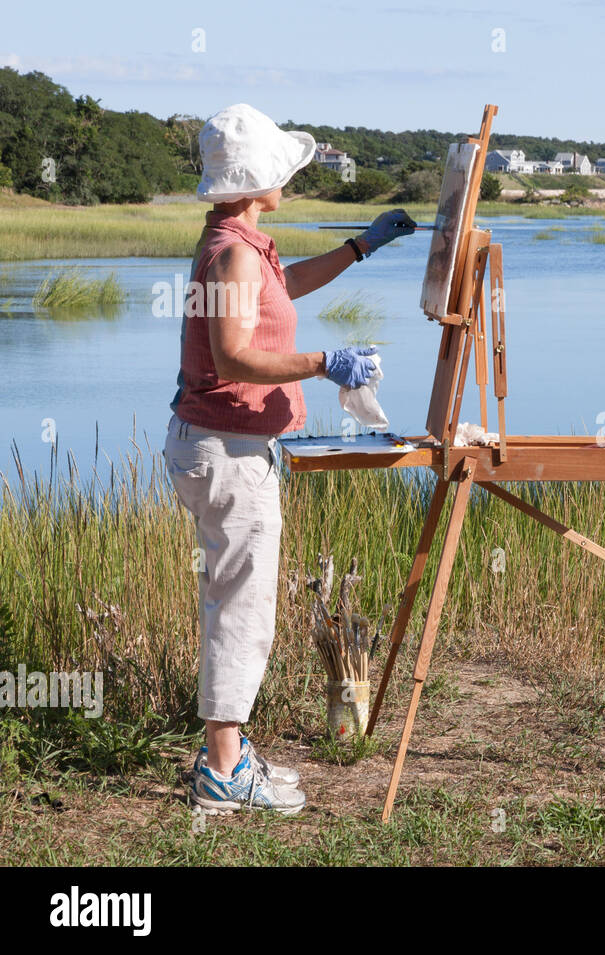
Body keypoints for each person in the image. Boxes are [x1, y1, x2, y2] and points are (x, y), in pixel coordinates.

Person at [164, 103, 415, 814]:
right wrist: (323, 363)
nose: (291, 180)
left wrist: (361, 247)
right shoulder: (235, 250)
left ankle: (231, 756)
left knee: (236, 602)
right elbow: (235, 354)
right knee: (241, 611)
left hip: (221, 445)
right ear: (258, 179)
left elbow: (285, 288)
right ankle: (221, 775)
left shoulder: (235, 240)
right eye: (282, 170)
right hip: (228, 451)